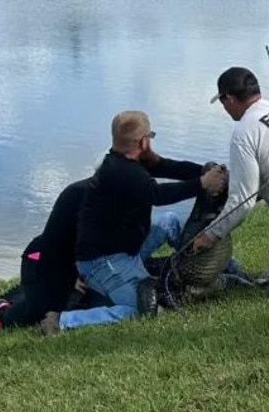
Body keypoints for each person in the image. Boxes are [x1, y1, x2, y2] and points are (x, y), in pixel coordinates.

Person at [40, 111, 227, 334]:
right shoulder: (122, 172)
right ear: (143, 141)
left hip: (128, 249)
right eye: (151, 136)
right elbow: (157, 195)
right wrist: (202, 183)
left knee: (169, 221)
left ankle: (210, 267)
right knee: (142, 309)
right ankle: (62, 321)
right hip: (103, 262)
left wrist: (203, 172)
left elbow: (167, 167)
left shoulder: (128, 161)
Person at [188, 67, 269, 297]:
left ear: (229, 98)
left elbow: (243, 201)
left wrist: (209, 235)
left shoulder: (243, 132)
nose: (224, 109)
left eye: (222, 102)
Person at [0, 178, 92, 333]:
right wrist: (72, 274)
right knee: (47, 310)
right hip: (41, 257)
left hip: (73, 260)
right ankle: (1, 313)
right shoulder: (78, 193)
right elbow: (54, 242)